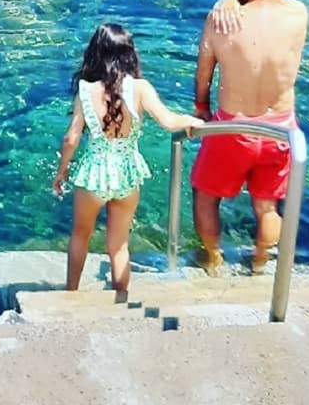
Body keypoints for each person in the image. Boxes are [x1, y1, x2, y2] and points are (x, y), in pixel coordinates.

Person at [53, 23, 203, 297]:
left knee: (80, 235)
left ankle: (71, 294)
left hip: (94, 175)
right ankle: (121, 297)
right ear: (130, 54)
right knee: (119, 245)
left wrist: (62, 172)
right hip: (127, 174)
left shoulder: (86, 91)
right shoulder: (140, 88)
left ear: (95, 53)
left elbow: (71, 138)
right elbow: (169, 121)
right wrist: (192, 120)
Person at [191, 0, 309, 275]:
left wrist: (202, 108)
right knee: (267, 206)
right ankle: (259, 263)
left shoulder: (221, 21)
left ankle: (213, 259)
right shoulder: (298, 15)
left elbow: (204, 72)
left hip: (233, 127)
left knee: (206, 196)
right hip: (281, 129)